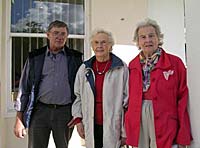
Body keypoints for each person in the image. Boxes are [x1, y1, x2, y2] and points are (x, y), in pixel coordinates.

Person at [13, 20, 82, 148]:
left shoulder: (76, 58)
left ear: (67, 36)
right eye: (56, 33)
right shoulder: (35, 57)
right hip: (40, 112)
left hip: (65, 113)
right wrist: (19, 119)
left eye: (63, 34)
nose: (59, 37)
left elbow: (81, 90)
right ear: (48, 35)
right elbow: (24, 89)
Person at [125, 18, 193, 148]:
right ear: (138, 41)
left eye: (151, 36)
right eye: (143, 37)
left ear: (158, 38)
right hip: (138, 117)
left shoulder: (175, 63)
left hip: (165, 119)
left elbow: (182, 98)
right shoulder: (132, 65)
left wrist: (183, 132)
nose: (147, 40)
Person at [68, 29, 129, 148]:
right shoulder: (84, 68)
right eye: (96, 42)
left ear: (111, 46)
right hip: (91, 124)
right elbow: (78, 96)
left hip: (113, 125)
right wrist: (78, 121)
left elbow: (127, 100)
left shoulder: (121, 68)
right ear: (92, 46)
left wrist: (125, 130)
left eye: (104, 42)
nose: (99, 46)